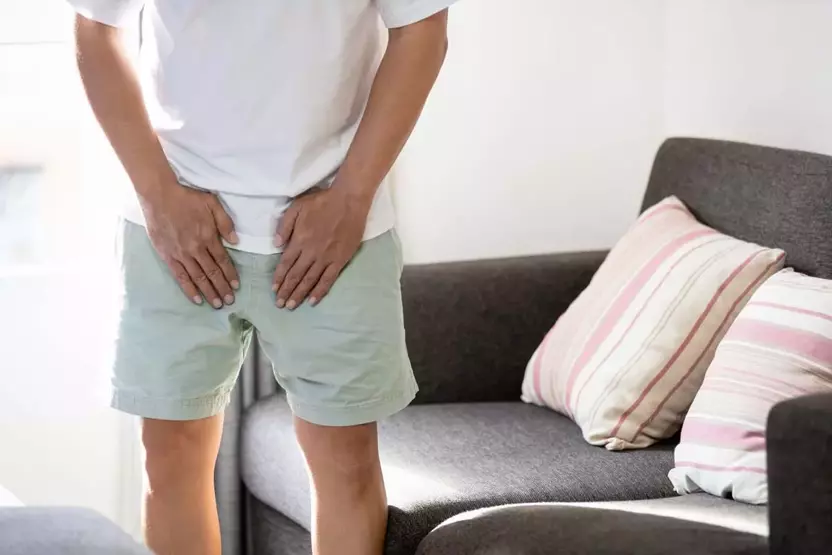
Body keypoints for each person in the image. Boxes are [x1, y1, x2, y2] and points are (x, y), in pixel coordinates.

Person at [70, 1, 454, 554]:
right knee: (169, 459)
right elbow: (95, 28)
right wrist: (157, 197)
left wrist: (351, 199)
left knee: (346, 464)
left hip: (334, 229)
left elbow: (421, 29)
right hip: (177, 225)